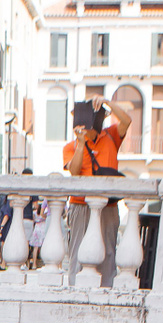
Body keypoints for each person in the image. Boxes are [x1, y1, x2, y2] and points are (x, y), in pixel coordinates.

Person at [62, 96, 133, 287]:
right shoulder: (70, 147)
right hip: (80, 204)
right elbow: (75, 171)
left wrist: (107, 101)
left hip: (108, 204)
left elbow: (127, 120)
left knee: (108, 251)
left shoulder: (110, 136)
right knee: (78, 250)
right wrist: (81, 143)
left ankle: (106, 290)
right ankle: (75, 289)